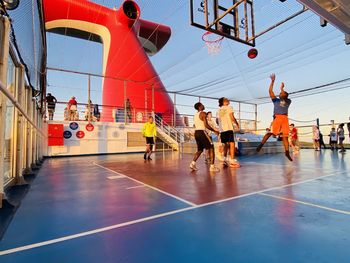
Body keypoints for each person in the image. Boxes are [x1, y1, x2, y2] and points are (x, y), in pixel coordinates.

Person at [256, 73, 293, 161]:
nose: (279, 93)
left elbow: (284, 97)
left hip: (285, 119)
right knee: (272, 133)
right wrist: (272, 81)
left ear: (284, 95)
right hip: (278, 118)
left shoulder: (288, 101)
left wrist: (282, 89)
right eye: (280, 92)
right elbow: (270, 91)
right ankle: (261, 144)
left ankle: (287, 152)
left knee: (285, 136)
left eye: (281, 93)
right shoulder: (275, 100)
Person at [190, 102, 220, 172]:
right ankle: (212, 167)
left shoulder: (195, 115)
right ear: (200, 107)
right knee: (211, 148)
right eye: (202, 105)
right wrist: (214, 130)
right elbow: (206, 125)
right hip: (202, 132)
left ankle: (192, 163)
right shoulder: (203, 113)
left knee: (200, 150)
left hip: (196, 133)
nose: (203, 105)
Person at [216, 97, 241, 168]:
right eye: (227, 99)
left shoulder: (218, 110)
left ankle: (224, 160)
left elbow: (217, 121)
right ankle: (232, 160)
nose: (228, 100)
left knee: (225, 144)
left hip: (222, 130)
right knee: (232, 143)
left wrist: (221, 126)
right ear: (224, 102)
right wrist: (237, 124)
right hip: (228, 128)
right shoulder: (229, 107)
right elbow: (231, 116)